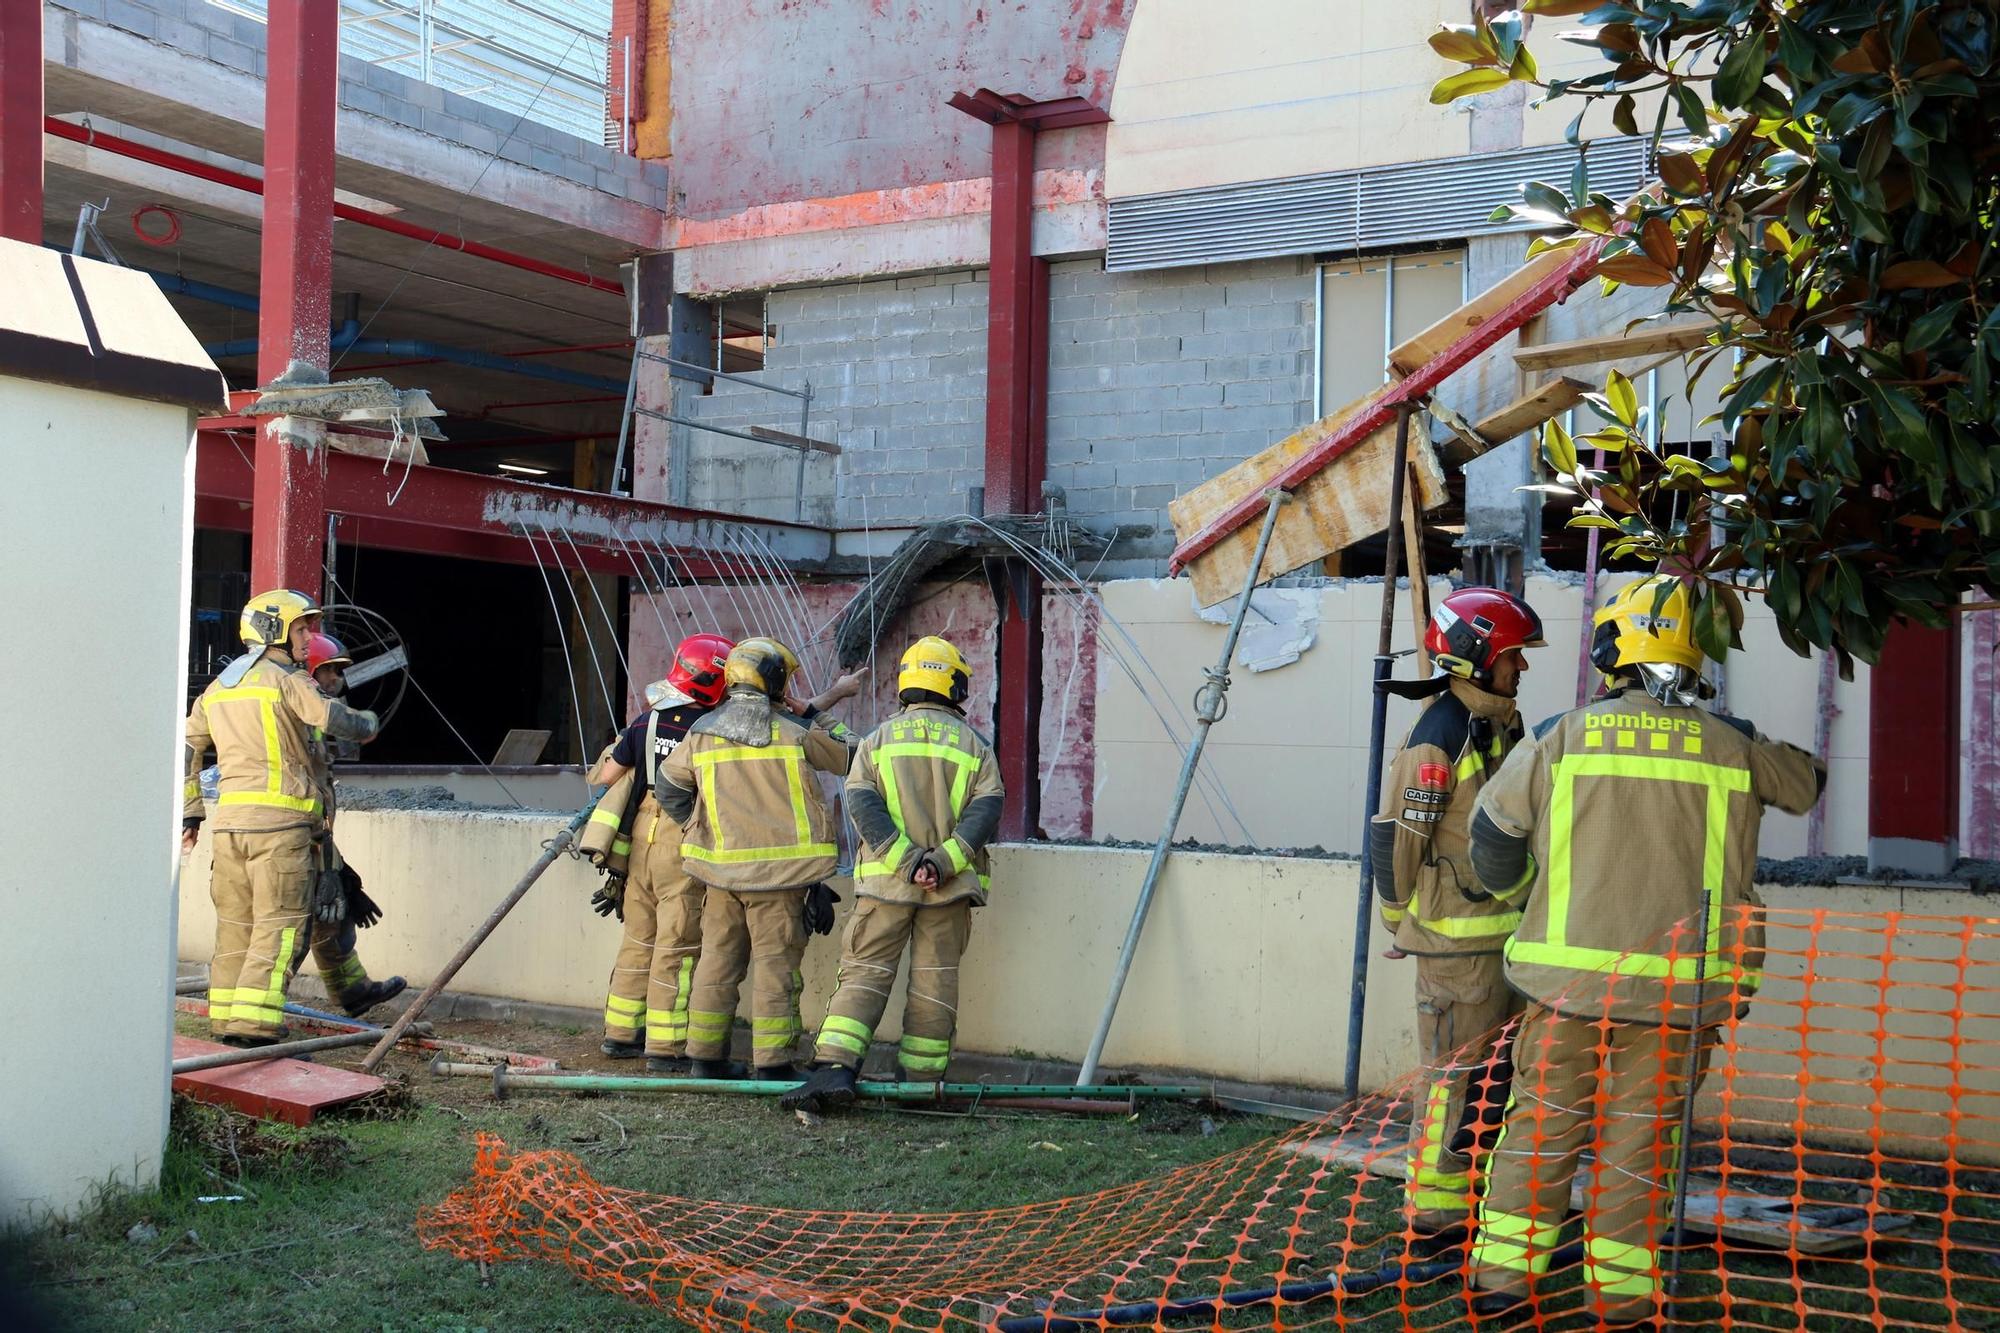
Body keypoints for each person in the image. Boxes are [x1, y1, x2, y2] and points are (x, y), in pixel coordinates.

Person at [1463, 576, 1823, 1329]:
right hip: (1675, 1000)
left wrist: (1526, 894)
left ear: (1611, 653)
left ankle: (1502, 1280)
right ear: (1693, 658)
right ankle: (1621, 1299)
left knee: (1543, 1125)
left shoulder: (1563, 734)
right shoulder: (1730, 746)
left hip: (1564, 992)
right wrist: (1736, 728)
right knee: (1638, 1145)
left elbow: (1493, 838)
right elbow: (1807, 783)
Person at [1369, 587, 1544, 1247]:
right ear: (1474, 656)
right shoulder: (1436, 736)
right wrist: (1401, 924)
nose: (1521, 667)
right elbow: (1398, 838)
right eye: (1512, 655)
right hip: (1454, 953)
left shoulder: (1503, 724)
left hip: (1506, 945)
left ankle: (1476, 1199)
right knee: (1451, 1083)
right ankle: (1435, 1219)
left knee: (1495, 1082)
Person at [784, 636, 1006, 1113]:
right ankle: (921, 1086)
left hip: (885, 884)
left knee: (863, 973)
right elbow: (986, 812)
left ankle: (834, 1071)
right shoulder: (976, 746)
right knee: (935, 980)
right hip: (948, 889)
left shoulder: (879, 739)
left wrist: (906, 862)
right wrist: (939, 864)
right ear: (954, 685)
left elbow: (862, 805)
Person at [655, 639, 865, 1079]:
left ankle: (705, 1060)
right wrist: (810, 711)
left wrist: (699, 826)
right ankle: (773, 1065)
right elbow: (856, 754)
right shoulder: (793, 732)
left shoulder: (702, 732)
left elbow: (670, 787)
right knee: (775, 969)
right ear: (774, 684)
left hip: (720, 875)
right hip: (781, 879)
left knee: (717, 962)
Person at [183, 591, 379, 1047]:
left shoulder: (219, 688)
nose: (309, 638)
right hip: (280, 831)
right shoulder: (287, 682)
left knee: (236, 928)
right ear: (274, 631)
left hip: (230, 831)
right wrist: (369, 723)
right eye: (301, 628)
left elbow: (189, 749)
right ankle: (253, 1028)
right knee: (280, 927)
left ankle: (226, 1021)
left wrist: (192, 810)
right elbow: (330, 717)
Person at [578, 632, 734, 1071]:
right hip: (684, 833)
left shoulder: (646, 722)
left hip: (641, 840)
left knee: (638, 939)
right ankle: (666, 1048)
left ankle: (621, 1034)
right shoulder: (710, 730)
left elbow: (607, 776)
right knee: (678, 944)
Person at [298, 632, 404, 1018]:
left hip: (314, 831)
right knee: (294, 926)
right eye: (330, 673)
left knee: (335, 906)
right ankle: (259, 1011)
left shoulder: (312, 713)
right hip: (291, 833)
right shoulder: (298, 709)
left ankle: (353, 991)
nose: (337, 681)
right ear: (312, 672)